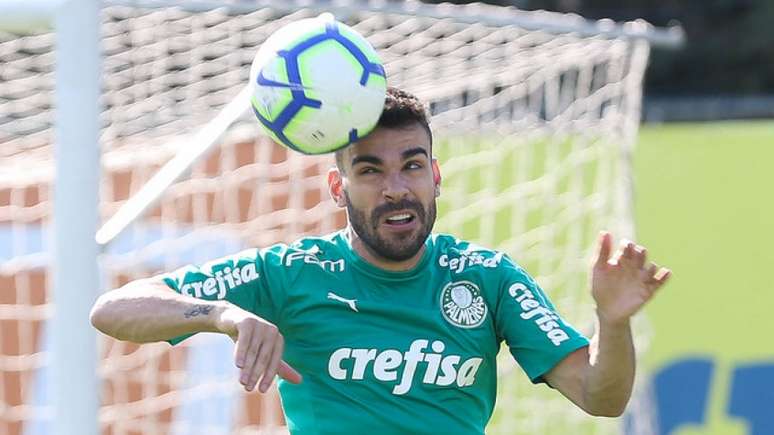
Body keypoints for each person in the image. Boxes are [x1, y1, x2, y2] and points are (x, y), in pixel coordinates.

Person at [90, 87, 671, 434]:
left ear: (436, 177)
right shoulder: (291, 272)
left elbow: (602, 395)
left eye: (412, 166)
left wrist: (613, 323)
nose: (396, 188)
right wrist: (224, 315)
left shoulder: (488, 279)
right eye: (370, 170)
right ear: (337, 188)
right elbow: (113, 310)